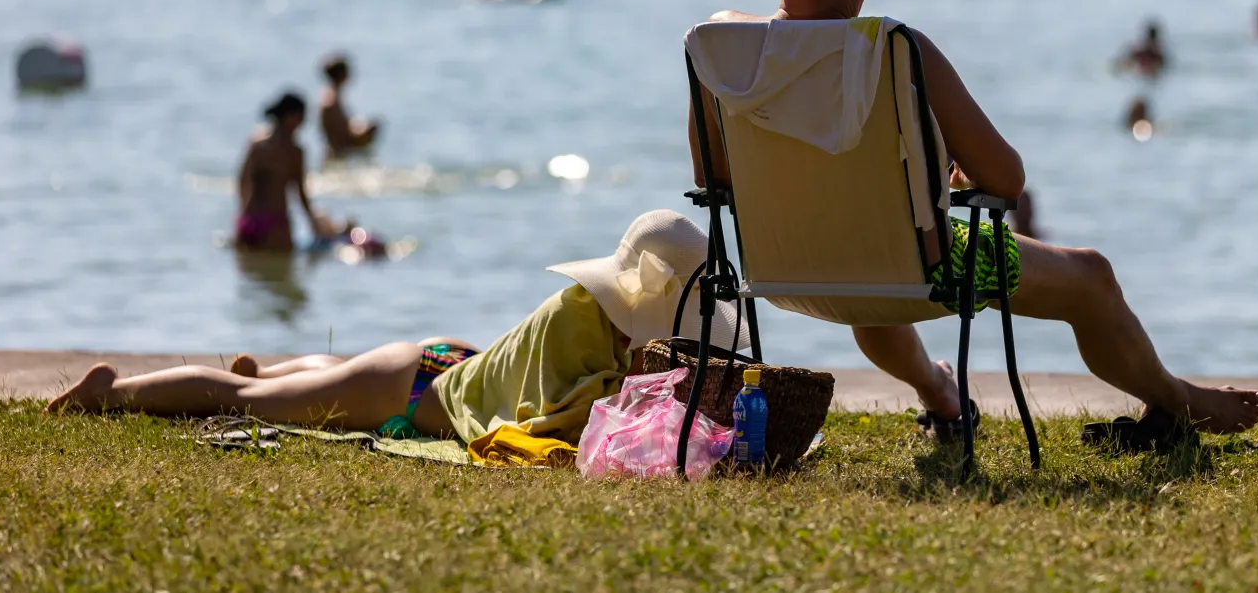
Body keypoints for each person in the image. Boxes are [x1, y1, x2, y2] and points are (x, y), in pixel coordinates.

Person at [689, 0, 1258, 437]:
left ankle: (940, 394)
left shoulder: (722, 51)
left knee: (869, 257)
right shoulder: (895, 49)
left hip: (784, 272)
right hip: (920, 272)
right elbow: (1008, 179)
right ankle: (1178, 401)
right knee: (1091, 275)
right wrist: (944, 175)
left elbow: (712, 179)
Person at [50, 211, 746, 447]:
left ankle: (270, 367)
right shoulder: (592, 343)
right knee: (248, 406)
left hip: (443, 363)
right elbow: (565, 423)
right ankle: (112, 392)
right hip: (411, 389)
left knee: (316, 381)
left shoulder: (581, 313)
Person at [236, 92, 333, 252]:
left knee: (252, 273)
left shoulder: (256, 142)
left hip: (249, 221)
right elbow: (300, 191)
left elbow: (242, 181)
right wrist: (313, 222)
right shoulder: (294, 150)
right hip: (276, 224)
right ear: (290, 117)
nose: (303, 124)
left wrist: (243, 215)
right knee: (282, 274)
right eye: (301, 118)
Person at [318, 54, 380, 156]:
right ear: (341, 74)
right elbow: (341, 133)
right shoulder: (331, 100)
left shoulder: (332, 96)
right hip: (340, 153)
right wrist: (363, 133)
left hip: (337, 151)